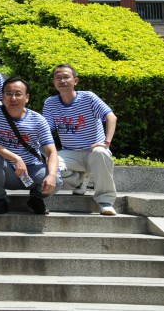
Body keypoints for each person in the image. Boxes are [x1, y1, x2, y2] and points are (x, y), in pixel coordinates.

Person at [42, 64, 118, 216]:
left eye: (66, 77)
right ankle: (80, 180)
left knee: (100, 152)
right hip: (70, 153)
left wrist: (106, 143)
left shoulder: (88, 97)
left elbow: (111, 117)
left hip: (93, 152)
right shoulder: (50, 103)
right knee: (51, 163)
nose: (62, 80)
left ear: (75, 81)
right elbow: (46, 130)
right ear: (53, 82)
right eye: (58, 77)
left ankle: (105, 202)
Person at [0, 78, 63, 215]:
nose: (13, 98)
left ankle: (36, 198)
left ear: (27, 97)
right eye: (8, 94)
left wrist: (51, 175)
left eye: (18, 94)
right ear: (2, 96)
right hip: (6, 172)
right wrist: (16, 158)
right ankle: (0, 199)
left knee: (56, 180)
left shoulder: (38, 120)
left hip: (30, 174)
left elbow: (51, 152)